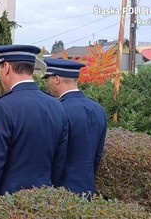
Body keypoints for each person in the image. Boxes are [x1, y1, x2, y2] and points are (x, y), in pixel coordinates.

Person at [0, 45, 68, 199]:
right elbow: (59, 162)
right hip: (43, 200)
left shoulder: (2, 107)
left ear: (6, 67)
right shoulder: (56, 105)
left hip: (9, 203)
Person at [42, 58, 107, 196]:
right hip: (87, 187)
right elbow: (97, 155)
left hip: (62, 190)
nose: (48, 83)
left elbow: (55, 155)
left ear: (57, 79)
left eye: (49, 78)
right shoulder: (98, 109)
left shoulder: (58, 110)